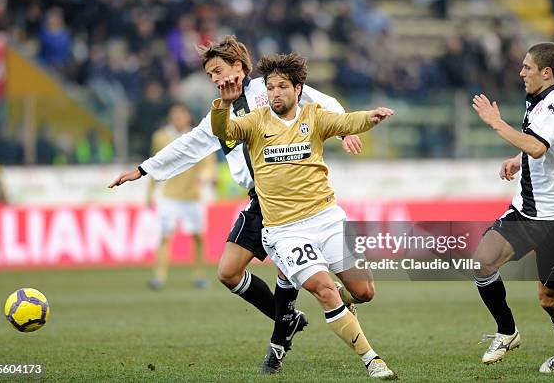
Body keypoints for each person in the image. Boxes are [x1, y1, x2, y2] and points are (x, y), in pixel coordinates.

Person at [108, 36, 364, 363]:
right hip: (261, 200)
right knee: (228, 273)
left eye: (218, 71)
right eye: (210, 75)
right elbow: (188, 146)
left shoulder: (269, 89)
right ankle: (287, 317)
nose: (214, 79)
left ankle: (294, 324)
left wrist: (345, 130)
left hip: (295, 197)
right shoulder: (220, 114)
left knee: (329, 282)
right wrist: (143, 170)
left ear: (238, 66)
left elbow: (319, 101)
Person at [211, 52, 396, 379]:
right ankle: (373, 360)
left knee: (365, 292)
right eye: (270, 87)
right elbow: (224, 129)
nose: (275, 93)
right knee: (323, 289)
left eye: (282, 86)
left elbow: (346, 121)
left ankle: (337, 300)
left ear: (298, 89)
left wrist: (371, 117)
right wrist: (223, 104)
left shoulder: (314, 116)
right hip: (285, 230)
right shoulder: (255, 123)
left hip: (327, 219)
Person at [471, 42, 554, 373]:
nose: (521, 72)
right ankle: (507, 331)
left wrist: (496, 123)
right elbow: (545, 148)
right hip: (526, 210)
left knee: (550, 301)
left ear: (546, 73)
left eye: (527, 68)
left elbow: (537, 147)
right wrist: (517, 160)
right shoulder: (539, 98)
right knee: (482, 263)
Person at [147, 103, 216, 290]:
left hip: (193, 196)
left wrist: (206, 176)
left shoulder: (197, 136)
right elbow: (154, 164)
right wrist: (150, 192)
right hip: (169, 195)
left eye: (181, 114)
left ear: (188, 117)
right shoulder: (160, 138)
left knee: (199, 237)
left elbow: (209, 164)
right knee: (165, 236)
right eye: (175, 114)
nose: (178, 118)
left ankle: (199, 275)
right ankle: (159, 277)